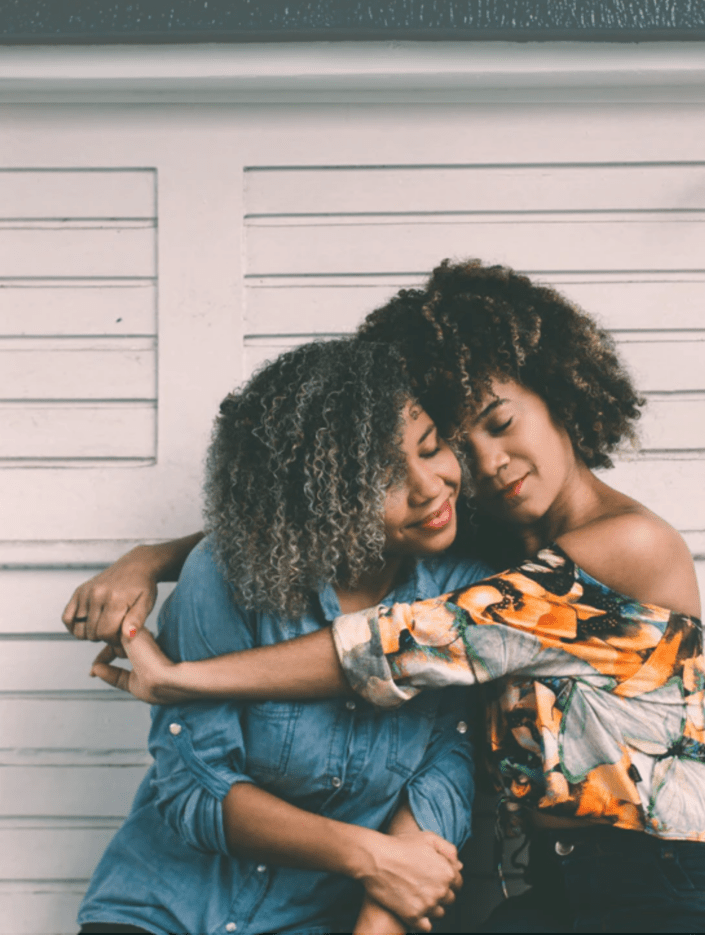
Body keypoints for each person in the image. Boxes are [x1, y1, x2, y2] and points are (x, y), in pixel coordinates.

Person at [79, 261, 705, 933]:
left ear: (557, 391)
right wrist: (156, 557)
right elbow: (312, 516)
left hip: (677, 885)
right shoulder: (497, 555)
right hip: (555, 892)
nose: (489, 463)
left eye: (501, 424)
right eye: (458, 442)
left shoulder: (626, 544)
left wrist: (181, 680)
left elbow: (408, 645)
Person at [73, 338, 493, 935]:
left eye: (431, 448)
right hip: (163, 908)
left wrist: (382, 913)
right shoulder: (225, 578)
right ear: (320, 497)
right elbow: (196, 788)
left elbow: (443, 769)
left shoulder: (469, 593)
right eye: (381, 481)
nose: (429, 487)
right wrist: (371, 858)